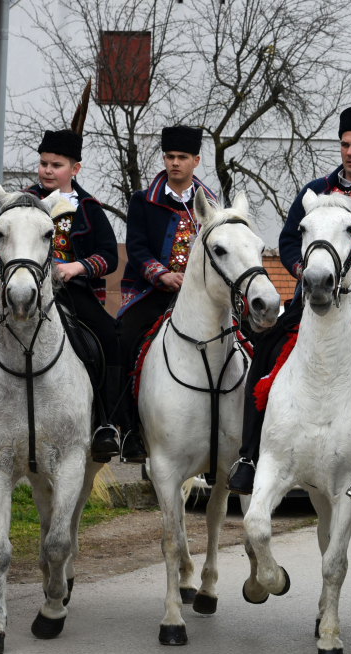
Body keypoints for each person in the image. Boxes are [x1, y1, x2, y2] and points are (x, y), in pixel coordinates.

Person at [229, 106, 351, 500]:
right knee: (266, 349)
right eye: (345, 144)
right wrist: (301, 268)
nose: (350, 152)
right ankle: (250, 456)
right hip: (317, 296)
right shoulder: (312, 192)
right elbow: (286, 239)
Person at [0, 121, 121, 463]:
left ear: (74, 168)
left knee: (109, 336)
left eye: (56, 164)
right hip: (13, 289)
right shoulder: (20, 201)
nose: (48, 170)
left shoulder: (89, 207)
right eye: (44, 163)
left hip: (69, 293)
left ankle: (105, 426)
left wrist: (76, 267)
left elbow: (108, 255)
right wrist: (6, 270)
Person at [115, 126, 220, 462]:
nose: (175, 163)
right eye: (170, 157)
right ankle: (128, 428)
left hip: (201, 298)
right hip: (151, 294)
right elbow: (137, 248)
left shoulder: (212, 205)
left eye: (182, 157)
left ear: (196, 161)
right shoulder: (142, 200)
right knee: (125, 340)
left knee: (240, 340)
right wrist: (161, 274)